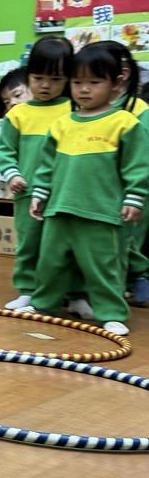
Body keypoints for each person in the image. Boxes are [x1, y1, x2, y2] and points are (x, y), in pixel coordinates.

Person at [24, 41, 149, 336]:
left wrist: (135, 196)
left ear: (115, 84)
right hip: (59, 210)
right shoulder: (62, 124)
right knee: (51, 264)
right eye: (77, 82)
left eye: (94, 82)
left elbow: (137, 165)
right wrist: (40, 193)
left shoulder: (124, 123)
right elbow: (46, 166)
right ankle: (44, 304)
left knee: (104, 267)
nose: (84, 90)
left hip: (101, 214)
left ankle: (112, 313)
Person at [0, 37, 72, 310]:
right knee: (29, 243)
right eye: (38, 78)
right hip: (27, 191)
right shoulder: (18, 115)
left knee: (62, 246)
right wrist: (12, 175)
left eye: (55, 79)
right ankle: (28, 289)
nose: (46, 85)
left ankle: (70, 293)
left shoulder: (73, 109)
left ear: (68, 79)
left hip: (64, 193)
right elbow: (5, 151)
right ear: (28, 76)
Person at [106, 41, 149, 307]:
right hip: (103, 187)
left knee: (129, 238)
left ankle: (137, 279)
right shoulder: (90, 108)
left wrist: (135, 191)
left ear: (122, 75)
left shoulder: (139, 111)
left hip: (132, 187)